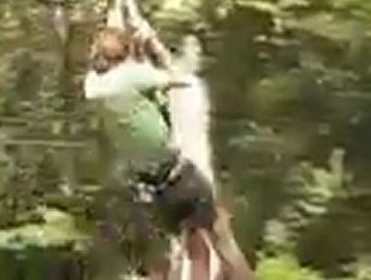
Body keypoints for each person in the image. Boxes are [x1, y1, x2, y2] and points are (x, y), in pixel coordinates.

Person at [84, 26, 254, 280]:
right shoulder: (136, 78)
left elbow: (122, 68)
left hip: (153, 189)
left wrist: (136, 48)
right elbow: (178, 80)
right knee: (219, 242)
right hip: (179, 175)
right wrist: (151, 44)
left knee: (181, 253)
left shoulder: (93, 86)